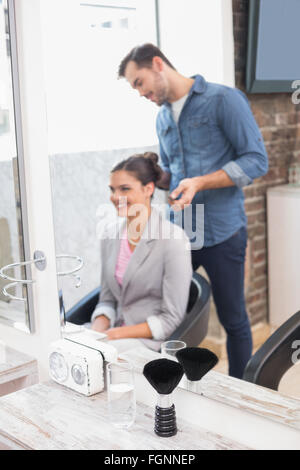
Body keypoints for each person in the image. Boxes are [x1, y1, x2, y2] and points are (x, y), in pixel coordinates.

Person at [118, 44, 269, 378]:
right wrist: (154, 176)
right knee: (167, 313)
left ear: (158, 64)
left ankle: (240, 393)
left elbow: (257, 161)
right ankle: (167, 386)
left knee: (234, 319)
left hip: (222, 233)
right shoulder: (162, 118)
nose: (141, 93)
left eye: (140, 82)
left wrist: (200, 182)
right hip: (179, 234)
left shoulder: (224, 100)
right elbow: (174, 176)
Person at [91, 152, 192, 353]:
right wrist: (94, 335)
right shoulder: (110, 236)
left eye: (125, 189)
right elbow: (107, 299)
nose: (115, 197)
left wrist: (112, 336)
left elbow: (171, 319)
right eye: (112, 190)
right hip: (110, 336)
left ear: (148, 189)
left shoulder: (173, 240)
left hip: (147, 343)